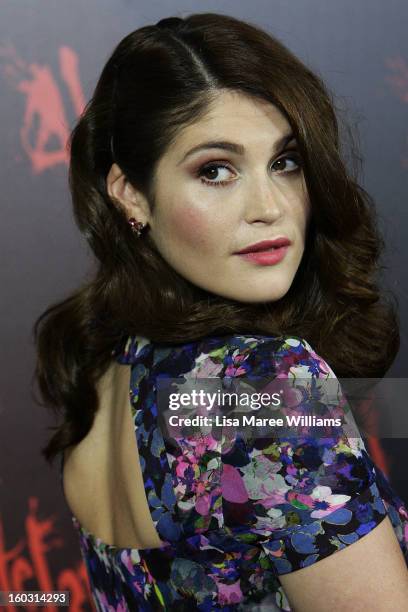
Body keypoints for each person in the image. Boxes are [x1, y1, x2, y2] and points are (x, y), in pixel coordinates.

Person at [33, 12, 408, 611]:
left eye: (284, 162)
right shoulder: (267, 385)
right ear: (131, 193)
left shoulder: (105, 355)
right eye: (215, 170)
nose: (269, 206)